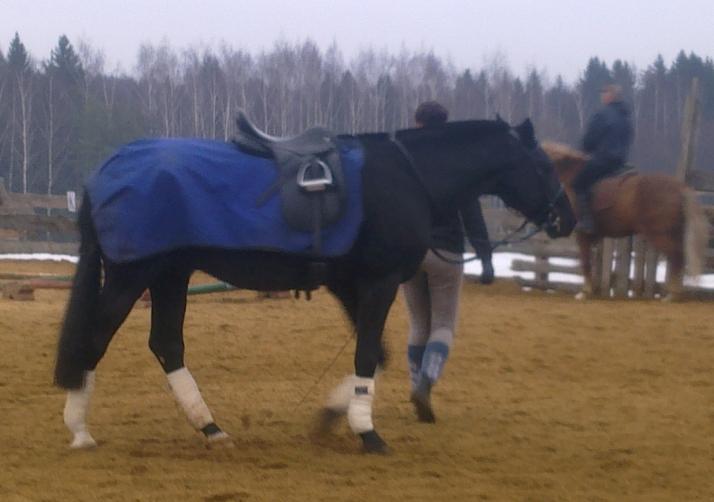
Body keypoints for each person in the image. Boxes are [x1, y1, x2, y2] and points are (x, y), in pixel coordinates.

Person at [403, 101, 494, 423]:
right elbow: (472, 215)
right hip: (447, 253)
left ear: (417, 124)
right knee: (442, 325)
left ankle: (415, 383)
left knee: (418, 325)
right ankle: (426, 385)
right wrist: (485, 257)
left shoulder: (406, 159)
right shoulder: (459, 164)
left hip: (410, 251)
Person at [575, 84, 633, 233]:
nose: (601, 96)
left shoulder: (603, 115)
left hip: (603, 160)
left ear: (611, 96)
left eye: (604, 92)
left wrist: (582, 153)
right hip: (621, 162)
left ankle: (586, 220)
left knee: (579, 182)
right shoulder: (625, 117)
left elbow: (589, 140)